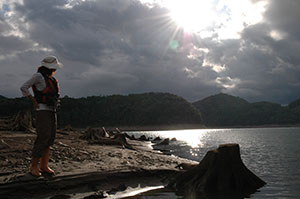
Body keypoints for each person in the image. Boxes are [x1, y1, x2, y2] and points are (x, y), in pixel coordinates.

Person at [20, 56, 62, 177]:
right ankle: (33, 166)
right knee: (43, 137)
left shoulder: (52, 79)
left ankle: (44, 166)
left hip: (52, 111)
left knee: (50, 138)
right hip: (42, 110)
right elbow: (24, 87)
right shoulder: (38, 76)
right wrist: (33, 101)